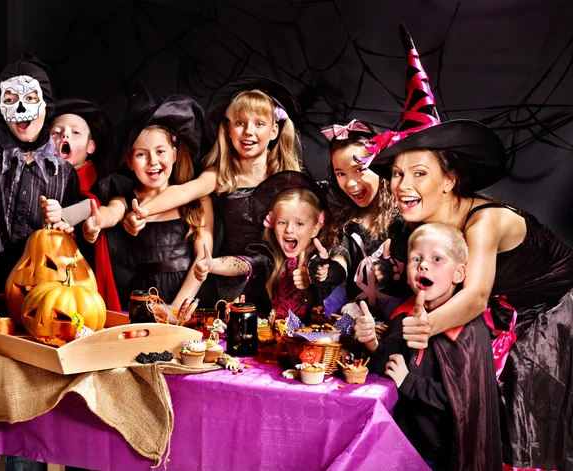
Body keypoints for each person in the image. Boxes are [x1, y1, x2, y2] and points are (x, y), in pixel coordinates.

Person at [360, 24, 573, 470]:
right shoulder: (416, 225)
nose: (403, 185)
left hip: (554, 313)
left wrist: (421, 329)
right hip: (494, 315)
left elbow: (474, 296)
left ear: (450, 178)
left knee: (525, 423)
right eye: (397, 174)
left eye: (419, 173)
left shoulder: (485, 221)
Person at [0, 53, 80, 471]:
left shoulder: (61, 170)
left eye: (29, 97)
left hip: (36, 302)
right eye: (11, 97)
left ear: (46, 103)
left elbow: (70, 243)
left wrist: (64, 220)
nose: (20, 109)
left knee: (26, 402)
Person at [119, 76, 303, 312]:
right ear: (227, 129)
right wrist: (143, 211)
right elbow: (184, 192)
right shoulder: (220, 176)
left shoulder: (289, 179)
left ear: (274, 130)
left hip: (280, 281)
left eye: (259, 123)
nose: (248, 132)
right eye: (239, 123)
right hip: (231, 278)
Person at [355, 223, 501, 470]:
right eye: (416, 259)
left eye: (437, 259)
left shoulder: (469, 330)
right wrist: (371, 342)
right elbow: (384, 368)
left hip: (441, 452)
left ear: (459, 274)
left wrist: (408, 382)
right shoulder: (404, 316)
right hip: (402, 442)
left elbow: (464, 402)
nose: (423, 265)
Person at [82, 94, 214, 311]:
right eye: (142, 154)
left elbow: (203, 256)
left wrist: (176, 309)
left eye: (160, 151)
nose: (153, 161)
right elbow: (110, 212)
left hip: (188, 299)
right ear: (130, 162)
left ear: (173, 155)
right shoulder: (127, 200)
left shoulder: (196, 201)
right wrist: (96, 221)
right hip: (142, 299)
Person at [309, 120, 408, 322]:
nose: (350, 183)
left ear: (380, 164)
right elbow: (341, 252)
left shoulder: (404, 216)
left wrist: (394, 271)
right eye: (340, 174)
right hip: (356, 321)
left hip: (397, 323)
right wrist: (332, 269)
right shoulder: (344, 219)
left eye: (359, 169)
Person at [194, 174, 327, 320]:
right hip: (276, 334)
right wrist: (213, 264)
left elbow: (335, 274)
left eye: (299, 224)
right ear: (272, 224)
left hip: (316, 336)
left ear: (315, 228)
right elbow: (244, 264)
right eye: (282, 222)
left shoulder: (319, 258)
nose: (289, 229)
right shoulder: (270, 256)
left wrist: (315, 276)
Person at [40, 98, 121, 310]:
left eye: (75, 133)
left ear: (90, 147)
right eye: (56, 132)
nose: (64, 135)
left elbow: (106, 209)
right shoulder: (36, 185)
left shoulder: (108, 185)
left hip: (89, 285)